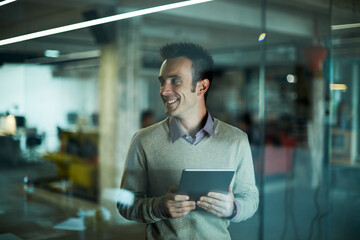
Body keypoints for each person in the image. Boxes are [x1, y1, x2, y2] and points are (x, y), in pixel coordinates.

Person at [117, 42, 258, 239]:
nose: (164, 91)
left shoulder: (236, 140)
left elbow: (251, 198)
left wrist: (233, 208)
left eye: (175, 81)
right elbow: (125, 203)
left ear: (201, 86)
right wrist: (159, 207)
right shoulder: (143, 141)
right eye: (162, 81)